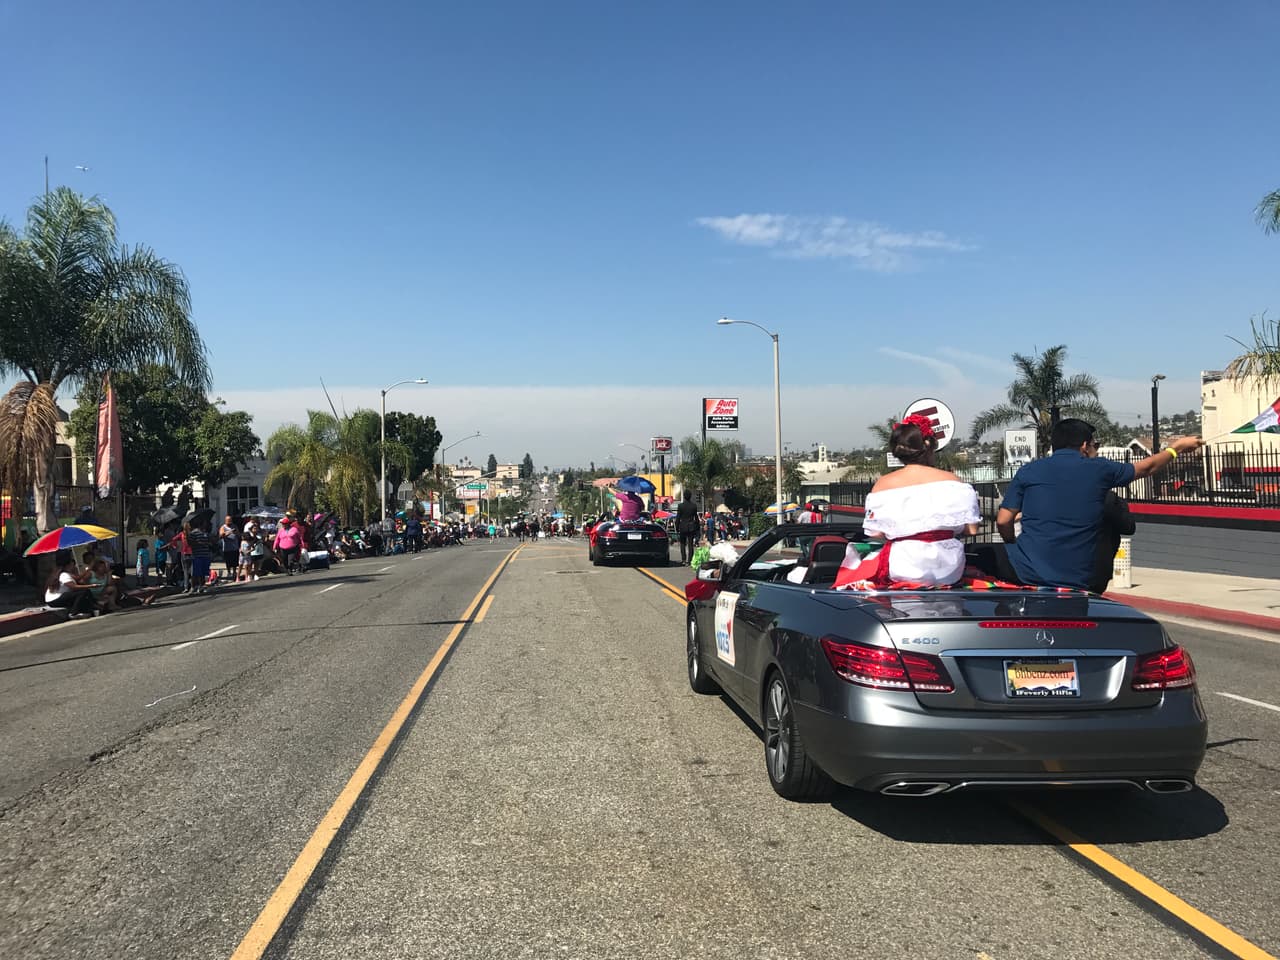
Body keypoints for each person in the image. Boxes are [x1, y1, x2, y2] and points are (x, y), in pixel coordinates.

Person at [996, 419, 1203, 591]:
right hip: (1082, 577)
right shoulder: (1100, 469)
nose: (1096, 450)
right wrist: (1176, 448)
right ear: (1085, 446)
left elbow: (1003, 521)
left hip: (1026, 571)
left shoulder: (1029, 471)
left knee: (974, 555)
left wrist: (1013, 545)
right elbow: (1147, 468)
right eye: (1096, 445)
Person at [834, 415, 980, 589]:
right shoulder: (955, 482)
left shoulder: (883, 485)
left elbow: (876, 533)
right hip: (948, 568)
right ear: (928, 446)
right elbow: (972, 529)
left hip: (904, 566)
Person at [44, 551, 96, 618]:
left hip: (57, 598)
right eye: (72, 565)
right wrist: (91, 586)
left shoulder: (65, 573)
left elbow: (78, 578)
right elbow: (74, 587)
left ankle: (91, 609)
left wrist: (88, 569)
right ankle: (73, 613)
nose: (74, 566)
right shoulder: (63, 575)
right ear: (68, 565)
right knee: (82, 592)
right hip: (54, 600)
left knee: (86, 591)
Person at [675, 490, 700, 564]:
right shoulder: (694, 506)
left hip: (683, 526)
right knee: (690, 544)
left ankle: (683, 560)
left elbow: (678, 518)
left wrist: (677, 527)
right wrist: (697, 527)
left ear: (684, 496)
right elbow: (696, 518)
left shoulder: (680, 506)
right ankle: (690, 560)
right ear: (690, 496)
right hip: (691, 526)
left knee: (682, 544)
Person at [188, 520, 213, 594]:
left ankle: (201, 586)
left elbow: (209, 541)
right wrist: (199, 543)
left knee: (203, 572)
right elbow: (190, 543)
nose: (205, 525)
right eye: (204, 524)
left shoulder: (205, 532)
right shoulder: (194, 533)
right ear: (200, 524)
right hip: (197, 555)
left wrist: (210, 542)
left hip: (205, 554)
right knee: (195, 572)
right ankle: (193, 587)